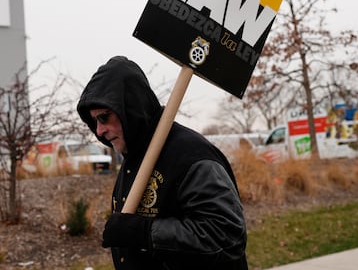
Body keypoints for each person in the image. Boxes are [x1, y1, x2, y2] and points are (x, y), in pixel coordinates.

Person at [77, 56, 248, 270]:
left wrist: (143, 233)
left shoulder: (191, 154)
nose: (100, 130)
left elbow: (226, 236)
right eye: (95, 122)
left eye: (104, 117)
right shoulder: (135, 160)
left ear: (130, 107)